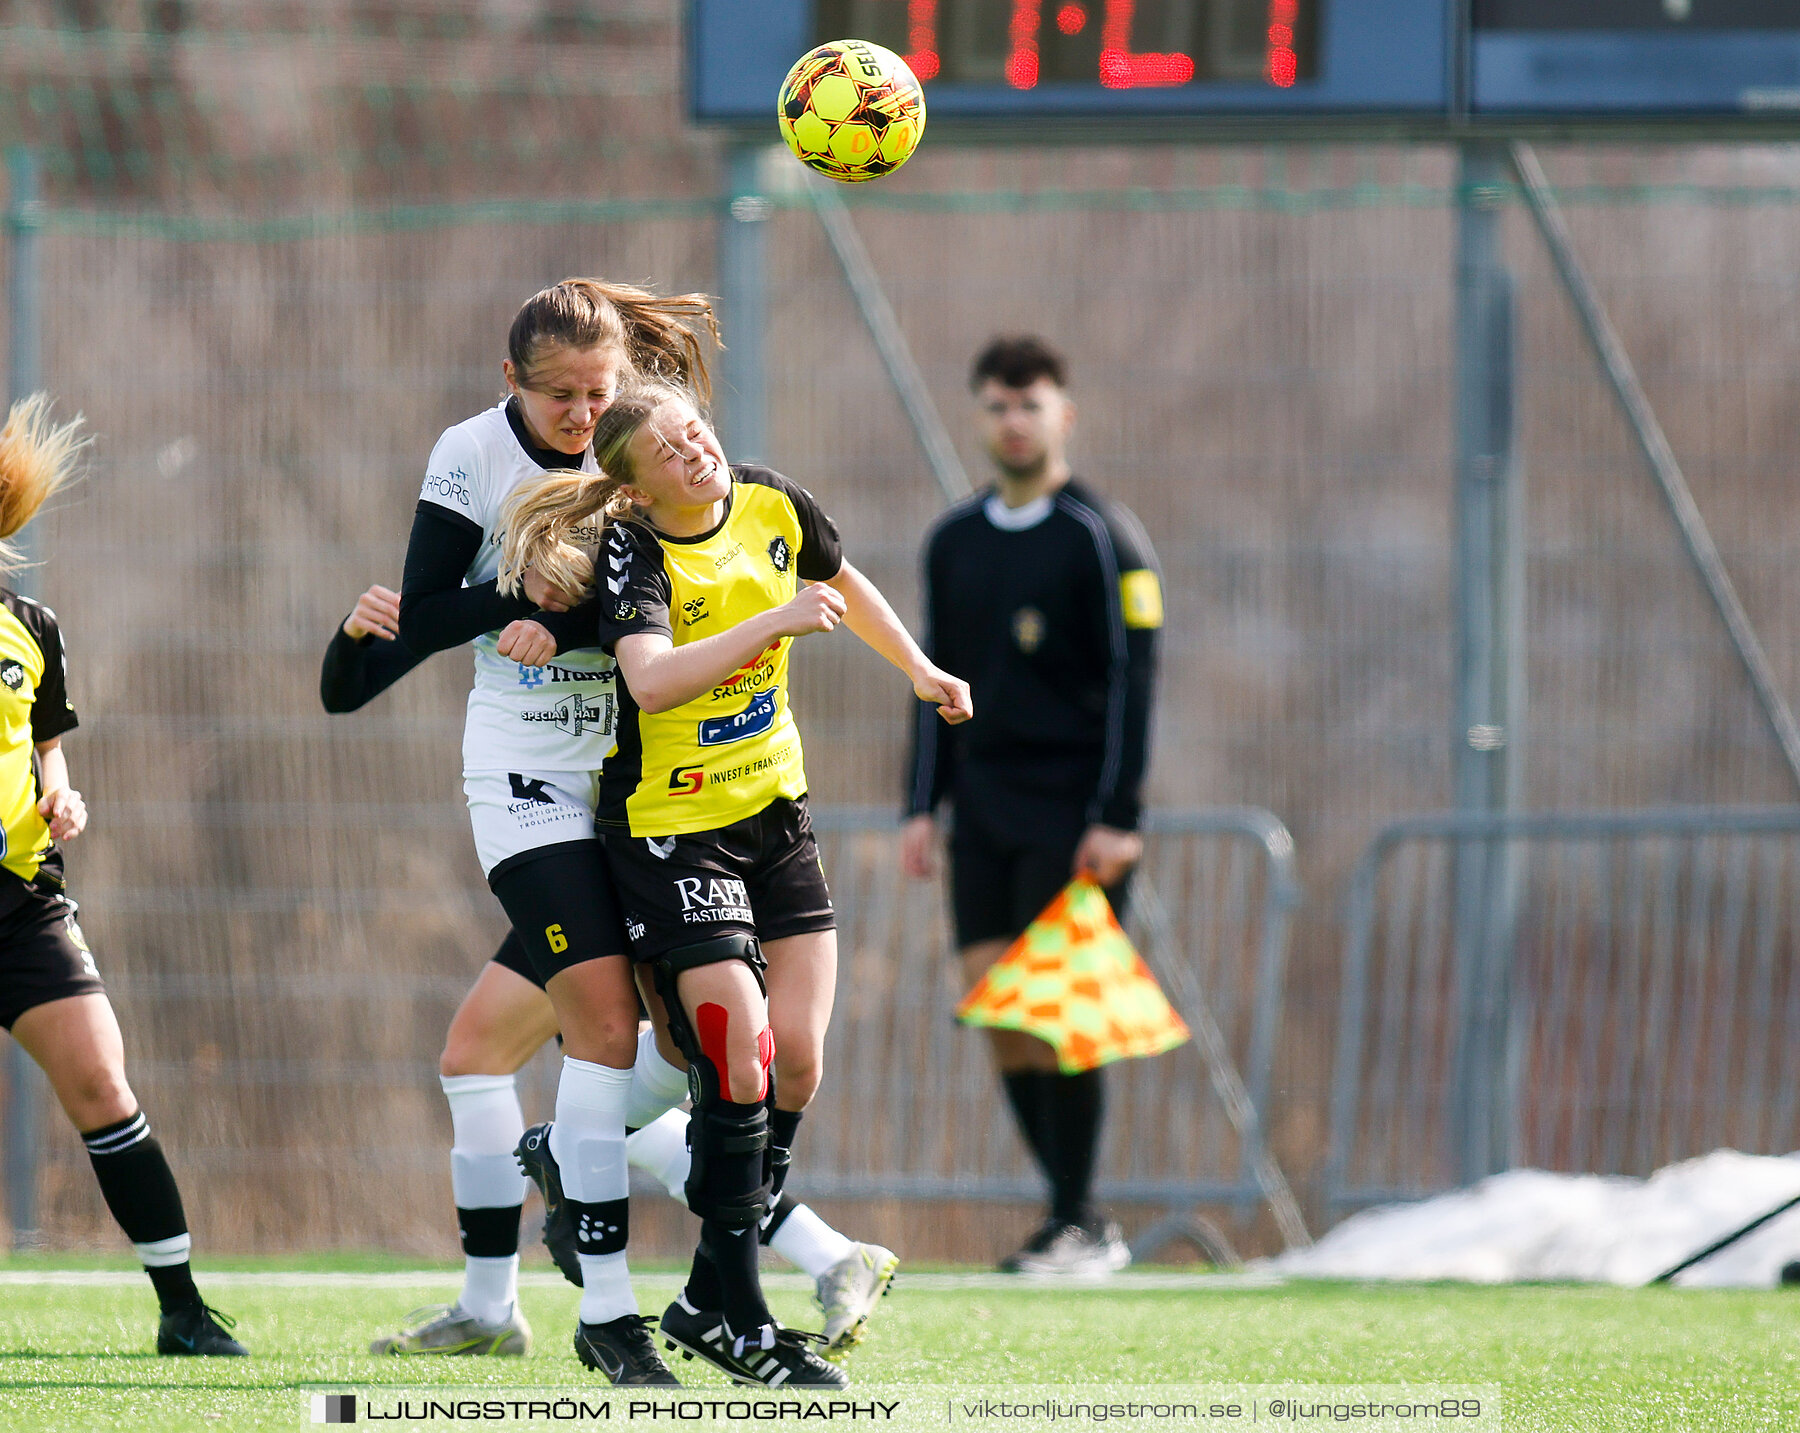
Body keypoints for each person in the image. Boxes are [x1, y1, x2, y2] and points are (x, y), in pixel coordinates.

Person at [500, 379, 970, 1387]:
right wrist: (775, 625)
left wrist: (920, 669)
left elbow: (843, 580)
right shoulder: (635, 550)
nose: (695, 453)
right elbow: (653, 680)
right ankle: (744, 1307)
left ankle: (711, 1296)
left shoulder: (773, 503)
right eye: (668, 451)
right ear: (636, 485)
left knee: (796, 1060)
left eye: (697, 432)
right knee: (738, 1055)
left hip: (776, 820)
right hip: (673, 832)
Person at [320, 584, 900, 1359]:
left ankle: (807, 1256)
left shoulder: (636, 556)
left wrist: (550, 624)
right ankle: (819, 1251)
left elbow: (791, 578)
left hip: (649, 841)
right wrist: (359, 634)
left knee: (658, 1062)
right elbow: (346, 688)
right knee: (484, 1056)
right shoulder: (511, 565)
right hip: (571, 841)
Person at [394, 277, 719, 1385]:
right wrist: (512, 608)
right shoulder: (471, 453)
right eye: (565, 397)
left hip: (631, 783)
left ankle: (498, 1296)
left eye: (602, 390)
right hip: (523, 780)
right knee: (605, 1025)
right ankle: (609, 1298)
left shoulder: (640, 449)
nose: (587, 415)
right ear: (512, 385)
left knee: (654, 1042)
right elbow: (424, 609)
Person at [900, 336, 1162, 1276]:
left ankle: (1079, 1220)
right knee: (999, 1009)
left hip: (1073, 809)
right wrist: (920, 805)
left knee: (1062, 1010)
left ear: (1064, 415)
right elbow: (929, 676)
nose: (1015, 422)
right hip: (984, 806)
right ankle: (1073, 1215)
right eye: (999, 406)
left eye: (1031, 405)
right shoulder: (955, 539)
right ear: (981, 416)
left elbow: (1137, 681)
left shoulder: (1102, 535)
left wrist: (1119, 813)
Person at [0, 394, 245, 1356]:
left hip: (22, 904)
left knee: (103, 1085)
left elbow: (47, 748)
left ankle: (182, 1309)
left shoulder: (31, 625)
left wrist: (64, 797)